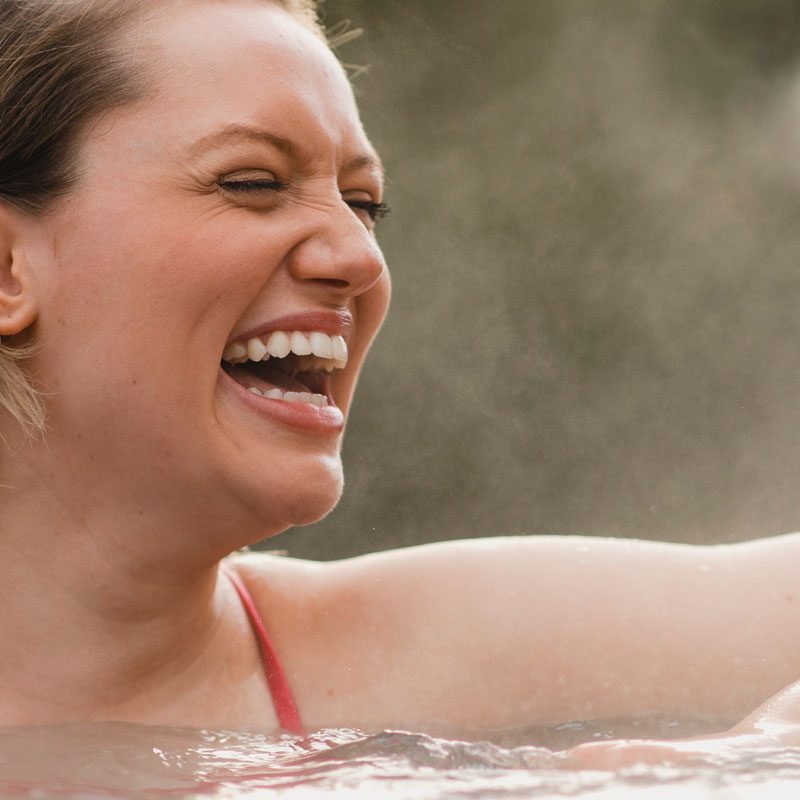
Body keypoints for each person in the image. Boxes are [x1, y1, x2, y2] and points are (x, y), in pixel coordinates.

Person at [0, 0, 799, 764]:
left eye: (365, 203)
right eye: (252, 182)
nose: (360, 258)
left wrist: (768, 744)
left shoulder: (436, 654)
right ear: (8, 270)